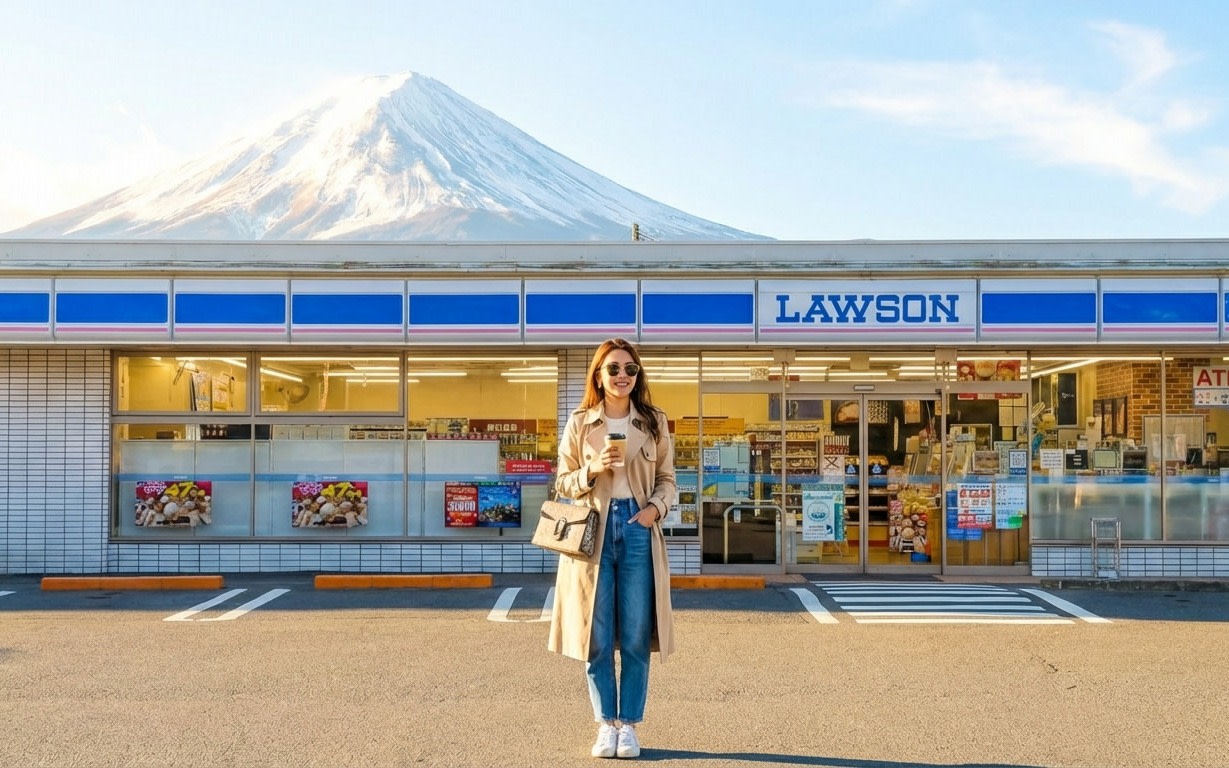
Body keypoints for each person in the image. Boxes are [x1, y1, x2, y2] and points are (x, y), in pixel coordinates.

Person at [549, 338, 677, 759]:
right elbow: (562, 483)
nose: (623, 376)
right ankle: (607, 723)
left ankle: (631, 726)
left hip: (638, 526)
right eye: (614, 369)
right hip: (594, 529)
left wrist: (653, 510)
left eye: (631, 369)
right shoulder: (580, 422)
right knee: (596, 634)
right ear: (599, 376)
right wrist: (592, 469)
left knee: (638, 634)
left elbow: (668, 480)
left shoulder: (654, 421)